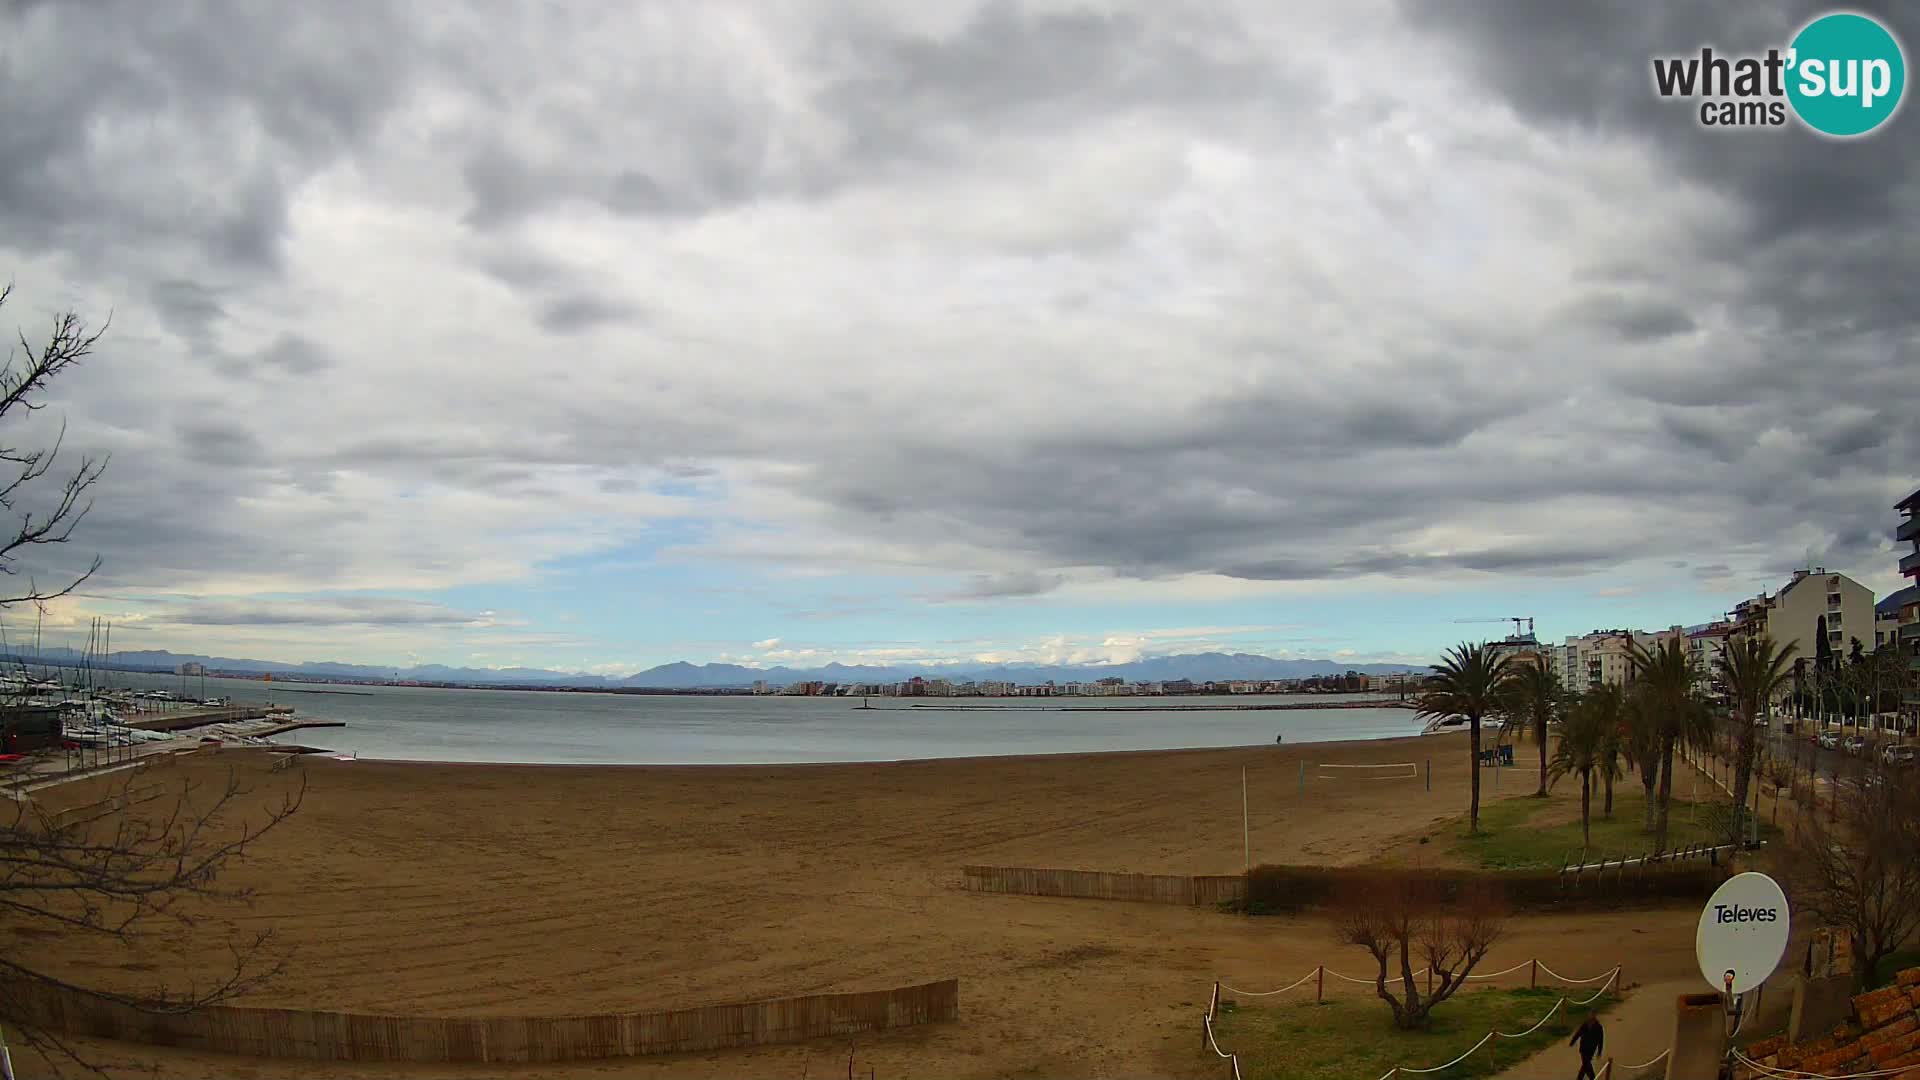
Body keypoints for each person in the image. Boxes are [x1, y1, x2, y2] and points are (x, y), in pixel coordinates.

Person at [1569, 1012, 1604, 1080]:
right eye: (1589, 1015)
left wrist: (1599, 1051)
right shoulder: (1585, 1024)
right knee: (1586, 1063)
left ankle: (1589, 1077)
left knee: (1586, 1063)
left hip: (1591, 1048)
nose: (1590, 1017)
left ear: (1594, 1017)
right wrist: (1572, 1042)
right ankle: (1589, 1077)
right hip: (1583, 1047)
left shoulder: (1599, 1027)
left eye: (1591, 1015)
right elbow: (1578, 1033)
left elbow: (1601, 1040)